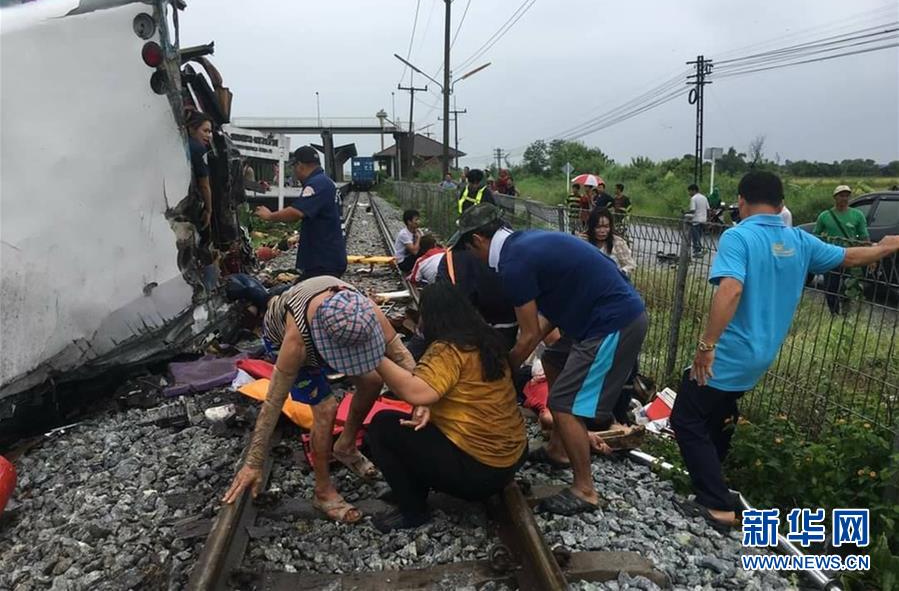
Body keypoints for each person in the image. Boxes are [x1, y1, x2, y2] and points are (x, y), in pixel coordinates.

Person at [670, 171, 899, 531]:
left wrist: (706, 346)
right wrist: (885, 248)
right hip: (763, 354)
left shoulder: (738, 236)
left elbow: (730, 290)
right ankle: (712, 484)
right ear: (780, 205)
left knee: (685, 417)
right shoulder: (799, 240)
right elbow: (849, 257)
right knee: (720, 413)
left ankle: (715, 504)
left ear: (742, 201)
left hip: (730, 352)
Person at [455, 204, 648, 515]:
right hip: (595, 318)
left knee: (564, 404)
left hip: (613, 323)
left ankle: (585, 490)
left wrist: (502, 370)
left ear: (478, 240)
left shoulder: (513, 263)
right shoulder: (525, 244)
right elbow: (551, 316)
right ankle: (558, 450)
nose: (471, 257)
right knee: (554, 358)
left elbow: (528, 336)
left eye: (467, 248)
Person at [222, 278, 416, 523]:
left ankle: (345, 446)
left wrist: (425, 401)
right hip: (282, 338)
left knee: (373, 382)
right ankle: (322, 491)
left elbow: (401, 354)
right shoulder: (296, 343)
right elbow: (273, 402)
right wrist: (253, 462)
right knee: (326, 409)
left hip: (317, 322)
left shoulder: (366, 310)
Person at [366, 283, 528, 531]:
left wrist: (374, 355)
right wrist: (427, 407)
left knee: (382, 426)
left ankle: (413, 511)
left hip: (479, 471)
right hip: (512, 458)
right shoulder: (487, 340)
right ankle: (414, 485)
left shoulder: (448, 349)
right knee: (413, 421)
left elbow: (413, 391)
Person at [255, 146, 347, 279]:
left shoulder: (317, 184)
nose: (294, 172)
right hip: (328, 258)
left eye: (294, 167)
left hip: (322, 262)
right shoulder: (326, 182)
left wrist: (270, 216)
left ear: (300, 165)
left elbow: (297, 212)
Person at [813, 185, 870, 315]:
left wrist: (869, 255)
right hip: (830, 257)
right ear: (835, 197)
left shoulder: (857, 215)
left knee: (849, 287)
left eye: (846, 195)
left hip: (850, 257)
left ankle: (846, 313)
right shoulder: (824, 216)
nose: (844, 198)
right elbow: (817, 235)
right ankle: (834, 313)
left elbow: (864, 236)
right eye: (841, 195)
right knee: (830, 288)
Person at [585, 208, 637, 277]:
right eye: (598, 227)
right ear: (591, 227)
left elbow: (631, 265)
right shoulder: (583, 242)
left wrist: (622, 272)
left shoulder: (618, 242)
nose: (602, 231)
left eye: (606, 226)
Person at [187, 112, 214, 231]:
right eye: (205, 131)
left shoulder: (178, 143)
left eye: (210, 132)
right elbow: (204, 185)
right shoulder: (198, 149)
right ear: (192, 129)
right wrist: (208, 210)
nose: (209, 135)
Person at [394, 209, 422, 274]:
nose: (418, 222)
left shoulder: (418, 231)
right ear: (409, 222)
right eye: (416, 220)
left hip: (411, 259)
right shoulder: (404, 234)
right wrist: (418, 238)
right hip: (403, 262)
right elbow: (414, 252)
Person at [687, 183, 709, 258]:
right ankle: (698, 250)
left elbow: (693, 210)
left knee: (695, 236)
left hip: (696, 220)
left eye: (689, 191)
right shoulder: (704, 197)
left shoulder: (693, 198)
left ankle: (698, 250)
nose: (689, 193)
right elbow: (708, 209)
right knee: (699, 235)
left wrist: (686, 213)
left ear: (693, 190)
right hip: (703, 219)